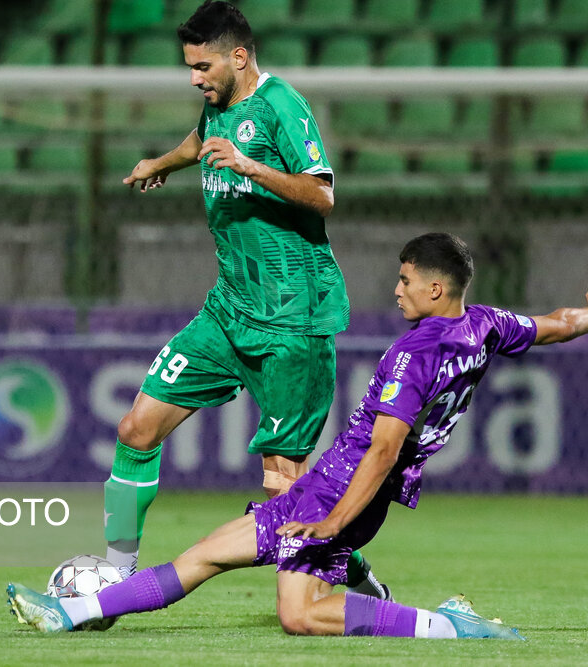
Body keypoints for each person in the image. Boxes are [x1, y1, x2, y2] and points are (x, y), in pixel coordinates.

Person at [8, 233, 588, 639]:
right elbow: (555, 323)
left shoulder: (414, 354)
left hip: (338, 491)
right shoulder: (485, 325)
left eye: (405, 279)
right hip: (350, 489)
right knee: (207, 559)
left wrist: (333, 521)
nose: (396, 288)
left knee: (298, 613)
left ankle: (448, 626)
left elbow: (385, 447)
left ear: (435, 287)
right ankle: (68, 614)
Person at [108, 1, 387, 598]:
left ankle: (356, 577)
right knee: (137, 427)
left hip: (293, 320)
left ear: (239, 56)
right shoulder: (217, 105)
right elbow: (202, 138)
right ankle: (113, 572)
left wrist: (249, 166)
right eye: (188, 66)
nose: (194, 77)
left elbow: (322, 193)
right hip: (229, 310)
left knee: (283, 490)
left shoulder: (283, 105)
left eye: (202, 65)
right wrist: (160, 163)